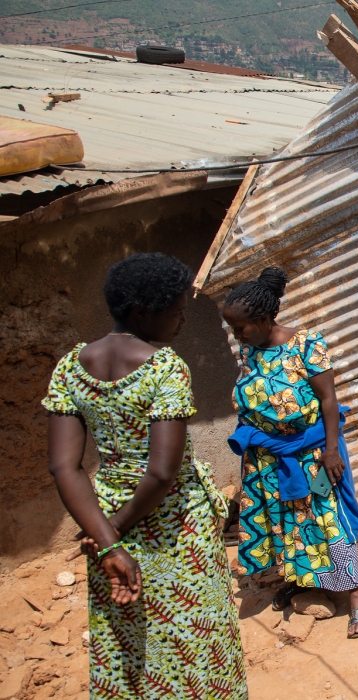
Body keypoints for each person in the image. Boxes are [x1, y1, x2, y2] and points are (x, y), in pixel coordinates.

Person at [43, 253, 248, 698]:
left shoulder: (69, 368)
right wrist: (116, 530)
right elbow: (161, 472)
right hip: (173, 522)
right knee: (196, 634)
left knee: (129, 635)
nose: (180, 323)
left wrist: (107, 537)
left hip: (104, 514)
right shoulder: (163, 367)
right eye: (175, 313)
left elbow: (64, 466)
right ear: (143, 313)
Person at [222, 267, 358, 639]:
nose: (236, 336)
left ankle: (357, 594)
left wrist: (332, 451)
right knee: (287, 522)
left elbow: (329, 399)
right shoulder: (250, 349)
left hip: (313, 454)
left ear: (262, 318)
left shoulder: (306, 343)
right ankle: (307, 580)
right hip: (271, 458)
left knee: (327, 516)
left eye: (240, 328)